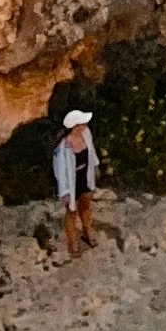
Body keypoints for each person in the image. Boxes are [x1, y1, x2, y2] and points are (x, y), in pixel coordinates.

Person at [53, 107, 100, 257]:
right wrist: (65, 192)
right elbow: (60, 173)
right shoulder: (62, 149)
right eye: (82, 123)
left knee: (86, 207)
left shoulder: (86, 134)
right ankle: (72, 242)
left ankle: (87, 232)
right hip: (72, 183)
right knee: (71, 212)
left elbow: (91, 151)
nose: (85, 126)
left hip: (85, 176)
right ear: (74, 126)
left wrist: (95, 166)